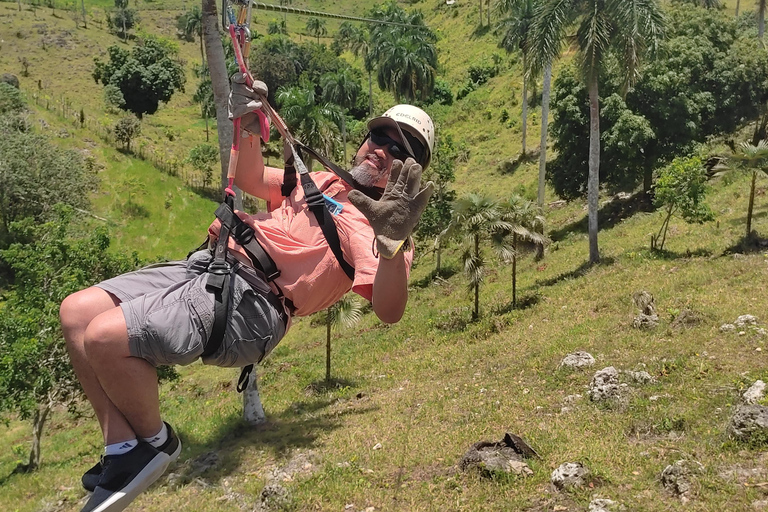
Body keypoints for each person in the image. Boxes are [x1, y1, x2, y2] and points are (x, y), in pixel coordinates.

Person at [59, 74, 435, 512]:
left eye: (399, 150)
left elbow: (390, 310)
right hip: (211, 264)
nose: (382, 150)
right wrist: (253, 121)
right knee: (77, 314)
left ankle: (155, 445)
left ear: (411, 169)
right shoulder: (320, 181)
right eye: (379, 137)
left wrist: (390, 246)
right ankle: (122, 448)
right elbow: (251, 177)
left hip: (252, 301)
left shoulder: (381, 228)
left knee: (106, 337)